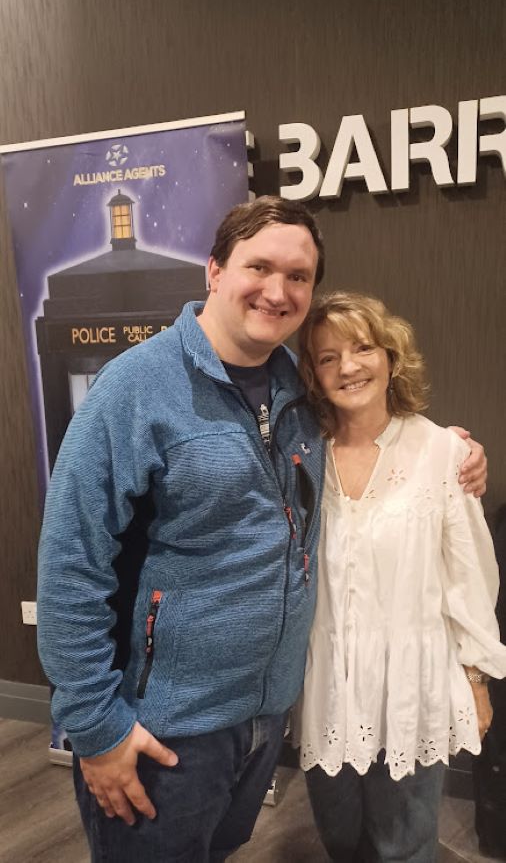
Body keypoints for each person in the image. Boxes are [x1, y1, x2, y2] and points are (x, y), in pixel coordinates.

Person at [37, 197, 486, 863]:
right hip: (164, 728)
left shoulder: (298, 390)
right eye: (259, 267)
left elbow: (374, 440)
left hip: (266, 718)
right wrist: (96, 727)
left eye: (298, 276)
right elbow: (70, 565)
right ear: (215, 271)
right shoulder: (133, 389)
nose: (278, 291)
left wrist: (451, 450)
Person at [294, 290, 506, 863]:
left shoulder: (441, 452)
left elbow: (469, 577)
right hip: (326, 686)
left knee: (405, 846)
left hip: (413, 685)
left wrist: (476, 679)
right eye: (328, 357)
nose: (348, 367)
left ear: (391, 356)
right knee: (340, 839)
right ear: (313, 373)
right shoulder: (301, 455)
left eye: (363, 348)